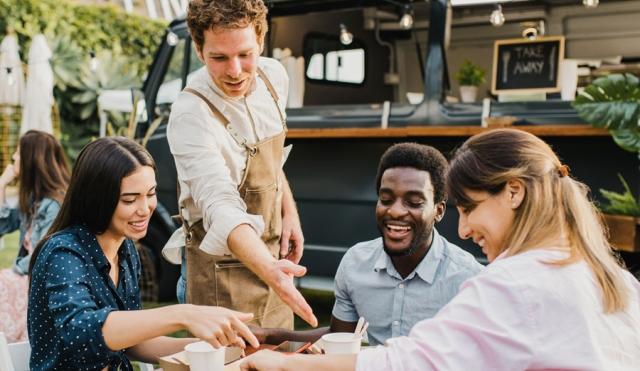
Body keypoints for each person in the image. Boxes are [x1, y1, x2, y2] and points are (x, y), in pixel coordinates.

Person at [240, 128, 640, 371]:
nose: (464, 229)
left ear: (513, 192)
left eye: (470, 208)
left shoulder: (511, 284)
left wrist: (282, 363)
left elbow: (410, 363)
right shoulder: (617, 280)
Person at [28, 137, 259, 371]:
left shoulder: (125, 249)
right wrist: (184, 315)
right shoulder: (64, 253)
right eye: (129, 199)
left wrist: (214, 346)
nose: (145, 209)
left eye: (150, 194)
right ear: (96, 198)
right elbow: (80, 333)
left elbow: (131, 343)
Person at [163, 0, 316, 329]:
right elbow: (220, 205)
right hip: (217, 276)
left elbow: (272, 162)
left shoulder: (274, 78)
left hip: (273, 263)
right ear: (199, 50)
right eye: (219, 57)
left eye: (245, 54)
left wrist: (290, 213)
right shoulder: (190, 113)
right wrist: (271, 270)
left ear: (261, 40)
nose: (234, 71)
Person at [252, 143, 482, 347]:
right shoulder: (355, 263)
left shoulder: (467, 279)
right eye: (386, 199)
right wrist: (266, 335)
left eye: (414, 202)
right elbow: (339, 337)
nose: (395, 211)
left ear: (439, 211)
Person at [0, 130, 69, 343]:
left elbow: (42, 258)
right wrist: (1, 184)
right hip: (24, 279)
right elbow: (2, 225)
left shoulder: (55, 204)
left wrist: (14, 272)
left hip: (39, 282)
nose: (13, 158)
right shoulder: (33, 198)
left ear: (32, 160)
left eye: (19, 153)